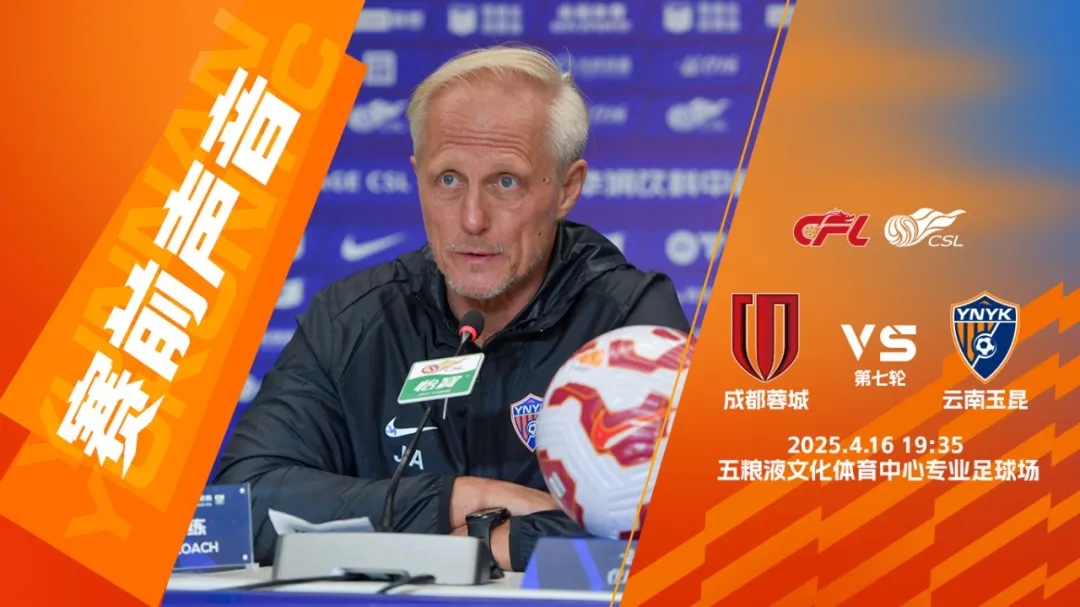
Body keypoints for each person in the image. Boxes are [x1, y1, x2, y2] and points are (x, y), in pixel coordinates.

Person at [214, 45, 691, 574]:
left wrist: (490, 546)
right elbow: (242, 501)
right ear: (417, 176)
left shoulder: (626, 322)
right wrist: (454, 499)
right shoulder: (353, 319)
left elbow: (676, 514)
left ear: (566, 189)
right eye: (448, 180)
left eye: (505, 182)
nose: (472, 219)